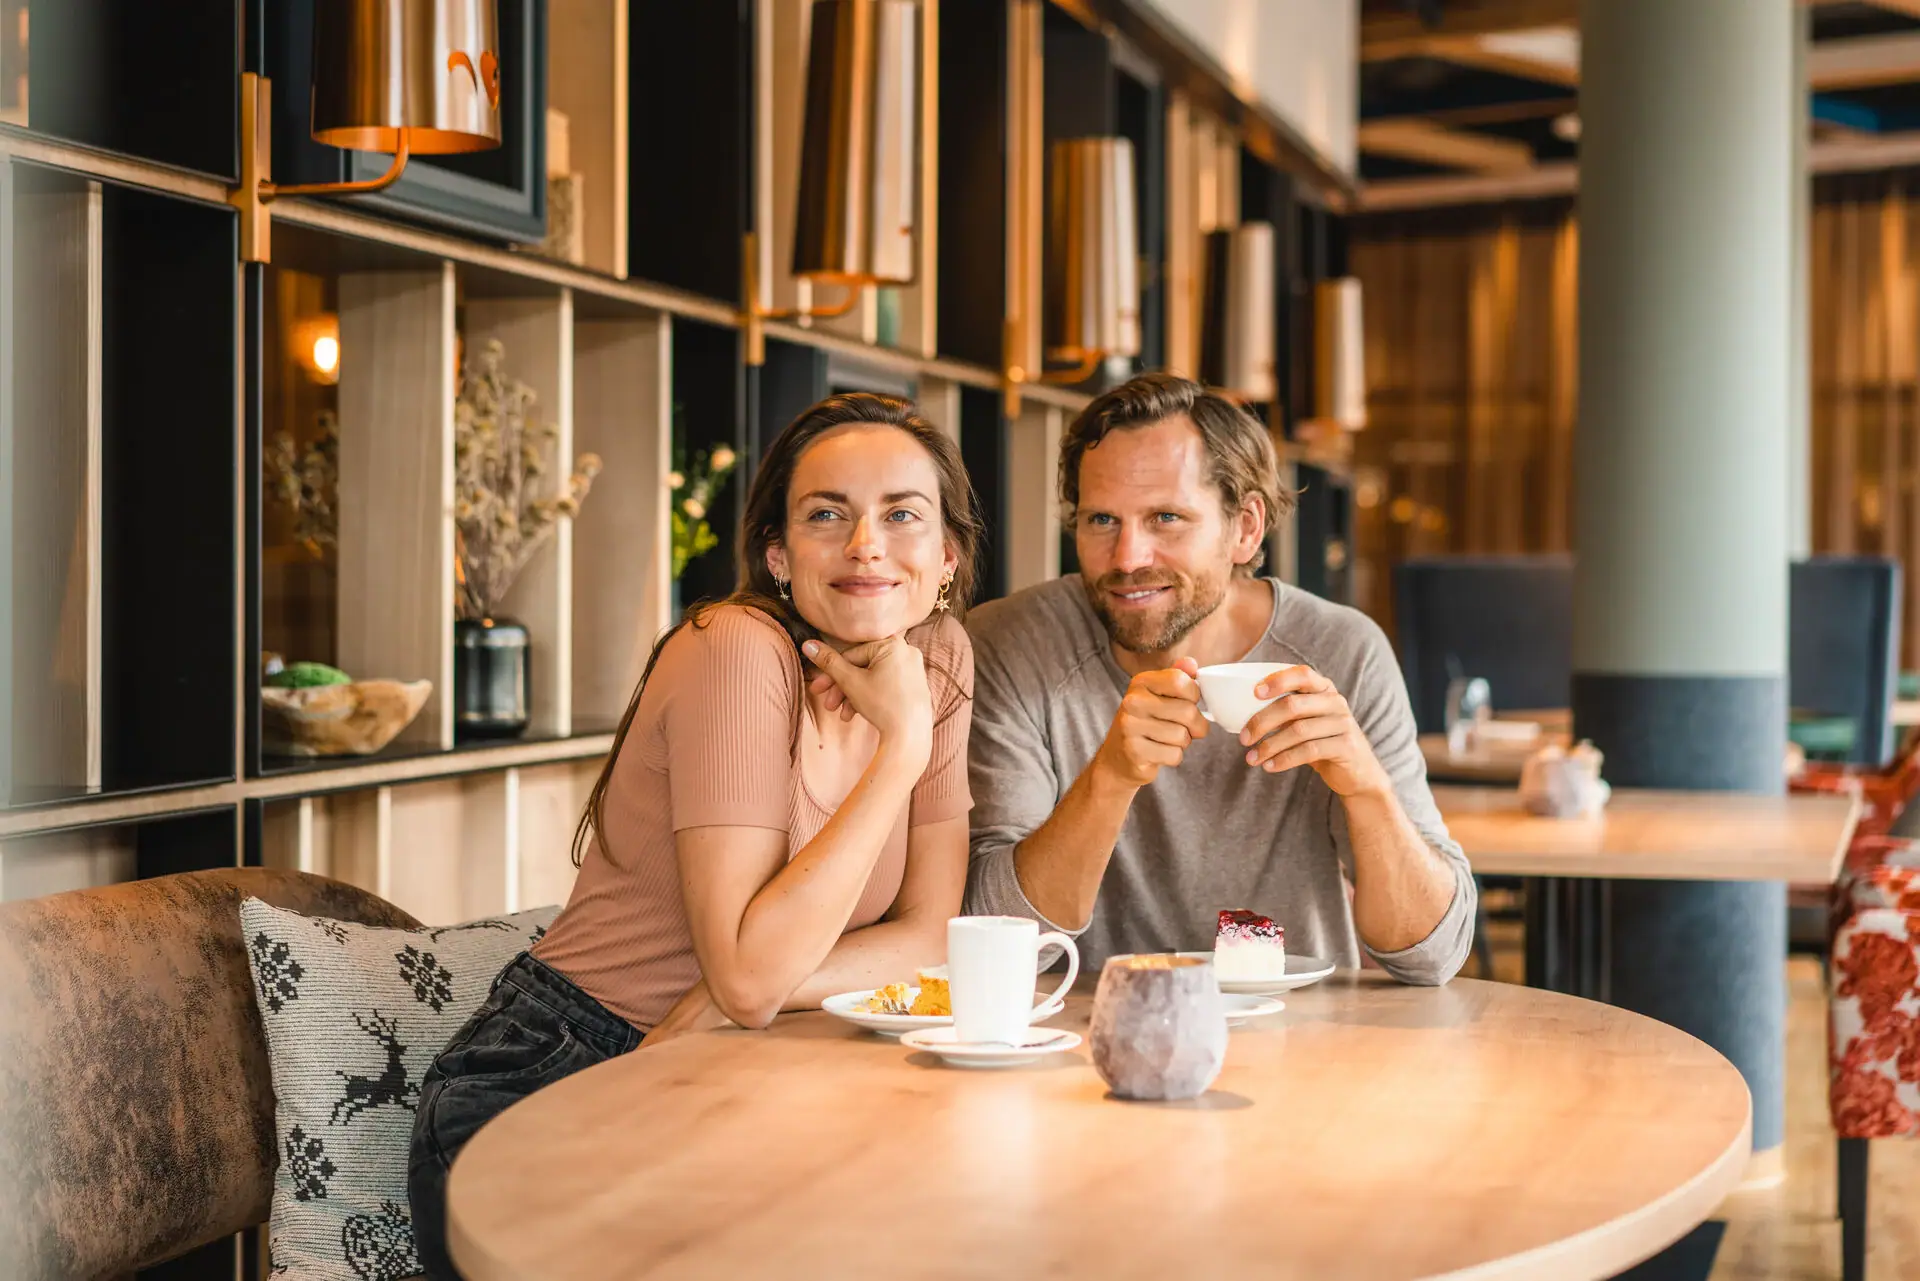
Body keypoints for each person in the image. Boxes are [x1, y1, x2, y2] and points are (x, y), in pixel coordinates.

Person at [407, 393, 982, 1280]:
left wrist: (724, 999)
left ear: (945, 556)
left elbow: (931, 935)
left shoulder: (936, 658)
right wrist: (901, 751)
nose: (866, 544)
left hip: (732, 1066)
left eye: (901, 514)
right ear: (779, 556)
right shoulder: (735, 648)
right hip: (561, 1075)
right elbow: (753, 975)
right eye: (827, 514)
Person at [961, 373, 1474, 983]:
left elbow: (1430, 954)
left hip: (1304, 1044)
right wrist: (1112, 777)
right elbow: (1001, 943)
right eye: (1101, 520)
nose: (1128, 558)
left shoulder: (1340, 651)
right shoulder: (1013, 644)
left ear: (1246, 527)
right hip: (1077, 1043)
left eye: (1167, 518)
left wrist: (1366, 790)